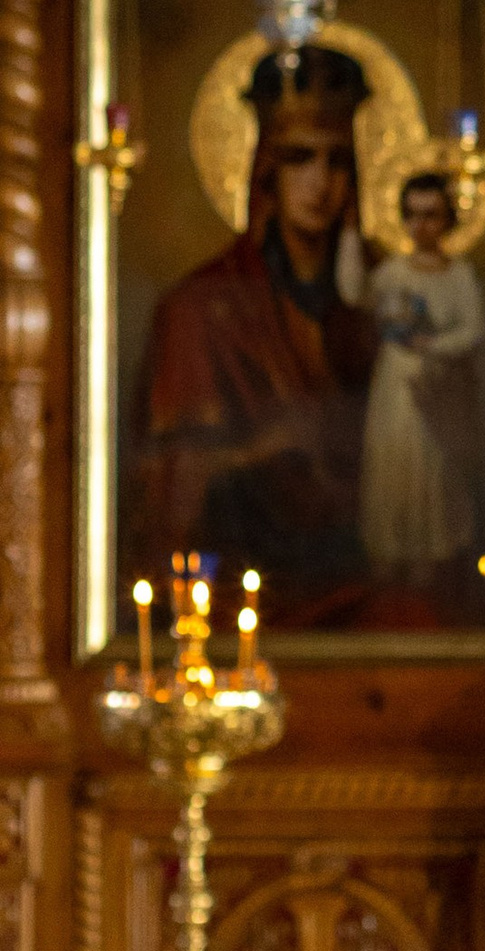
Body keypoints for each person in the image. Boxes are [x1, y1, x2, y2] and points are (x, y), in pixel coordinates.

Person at [136, 42, 379, 624]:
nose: (320, 182)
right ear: (267, 167)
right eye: (300, 158)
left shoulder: (386, 295)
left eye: (337, 160)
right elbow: (167, 485)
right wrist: (261, 447)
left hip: (371, 576)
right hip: (244, 589)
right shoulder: (197, 309)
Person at [358, 168, 485, 577]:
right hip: (394, 383)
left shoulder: (460, 275)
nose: (421, 225)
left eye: (430, 214)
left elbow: (475, 328)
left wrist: (431, 346)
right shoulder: (393, 272)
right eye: (412, 214)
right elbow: (355, 295)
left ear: (447, 218)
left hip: (437, 386)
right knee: (391, 461)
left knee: (430, 467)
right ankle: (388, 554)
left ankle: (427, 558)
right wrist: (347, 236)